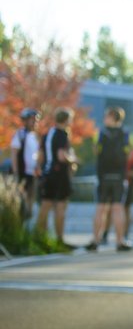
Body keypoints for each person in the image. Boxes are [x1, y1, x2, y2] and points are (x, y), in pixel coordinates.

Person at [85, 107, 133, 252]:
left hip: (103, 175)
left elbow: (95, 151)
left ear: (112, 117)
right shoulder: (127, 134)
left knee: (100, 209)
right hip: (119, 176)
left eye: (106, 115)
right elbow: (130, 155)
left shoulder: (99, 133)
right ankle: (120, 241)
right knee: (118, 209)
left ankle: (95, 240)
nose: (104, 118)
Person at [36, 107, 78, 249]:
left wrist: (40, 170)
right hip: (59, 175)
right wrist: (73, 160)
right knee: (60, 207)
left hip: (47, 174)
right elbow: (61, 156)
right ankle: (60, 240)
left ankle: (40, 239)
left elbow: (40, 156)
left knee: (45, 206)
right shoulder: (61, 134)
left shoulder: (47, 134)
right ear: (66, 120)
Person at [9, 107, 41, 222]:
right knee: (19, 201)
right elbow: (14, 154)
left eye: (36, 120)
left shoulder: (35, 136)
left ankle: (27, 228)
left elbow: (36, 155)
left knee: (30, 199)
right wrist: (16, 173)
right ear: (25, 120)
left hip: (31, 173)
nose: (34, 122)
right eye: (32, 119)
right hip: (21, 173)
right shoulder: (20, 134)